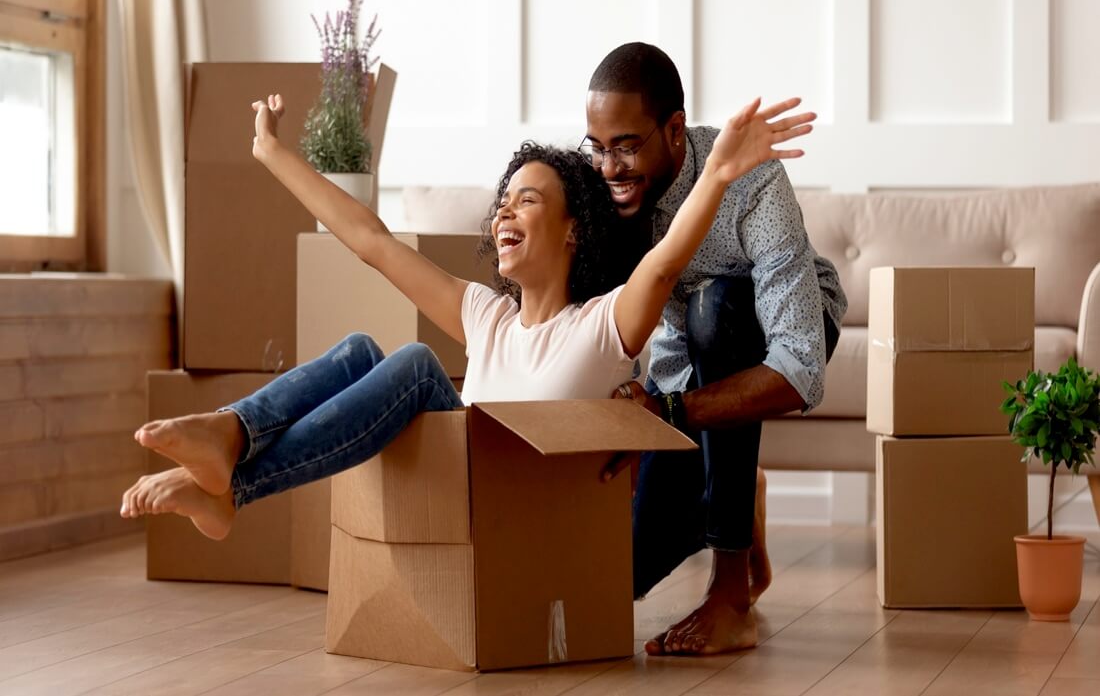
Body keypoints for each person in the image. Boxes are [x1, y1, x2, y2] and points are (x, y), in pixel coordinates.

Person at [119, 92, 815, 562]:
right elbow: (370, 238)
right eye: (501, 203)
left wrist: (719, 172)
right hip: (456, 514)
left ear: (575, 231)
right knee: (364, 349)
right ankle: (232, 447)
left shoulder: (602, 325)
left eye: (528, 201)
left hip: (525, 527)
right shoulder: (486, 315)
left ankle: (232, 471)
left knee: (420, 364)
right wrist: (272, 154)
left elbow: (663, 267)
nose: (504, 214)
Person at [583, 43, 847, 656]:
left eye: (625, 145)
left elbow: (799, 365)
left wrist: (671, 414)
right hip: (681, 371)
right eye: (597, 147)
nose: (610, 167)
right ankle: (737, 492)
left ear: (675, 130)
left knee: (717, 305)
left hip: (786, 326)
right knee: (623, 572)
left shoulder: (750, 177)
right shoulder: (604, 186)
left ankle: (731, 593)